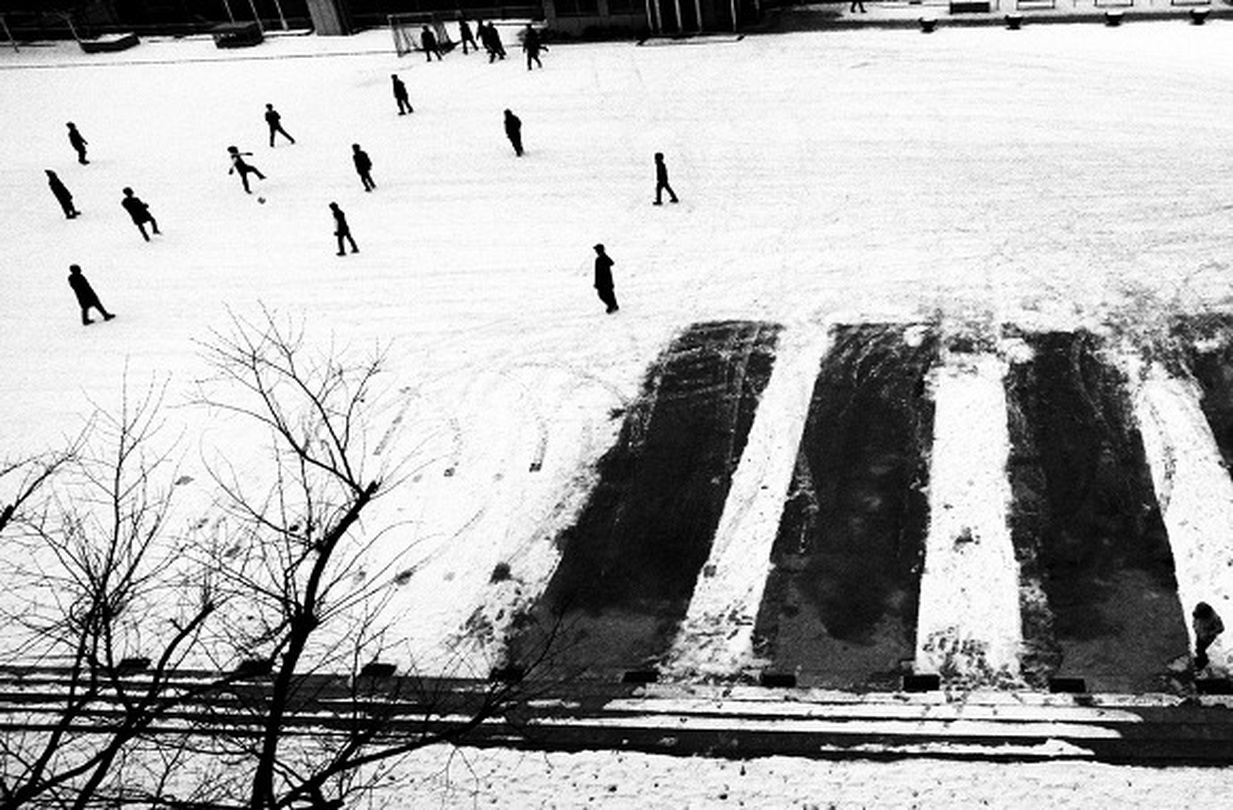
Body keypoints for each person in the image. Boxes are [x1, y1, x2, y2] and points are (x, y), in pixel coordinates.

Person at [1194, 602, 1224, 671]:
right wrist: (1195, 626)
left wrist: (1208, 634)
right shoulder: (1198, 613)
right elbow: (1196, 619)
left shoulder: (1214, 618)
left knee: (1201, 649)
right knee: (1198, 646)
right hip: (1200, 634)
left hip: (1207, 638)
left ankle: (1203, 662)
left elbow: (1221, 628)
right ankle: (1200, 657)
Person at [593, 244, 618, 314]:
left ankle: (611, 306)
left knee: (602, 295)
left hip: (602, 282)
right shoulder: (605, 258)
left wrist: (597, 283)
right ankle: (614, 305)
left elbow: (598, 273)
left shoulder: (599, 260)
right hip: (609, 281)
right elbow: (611, 262)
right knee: (610, 294)